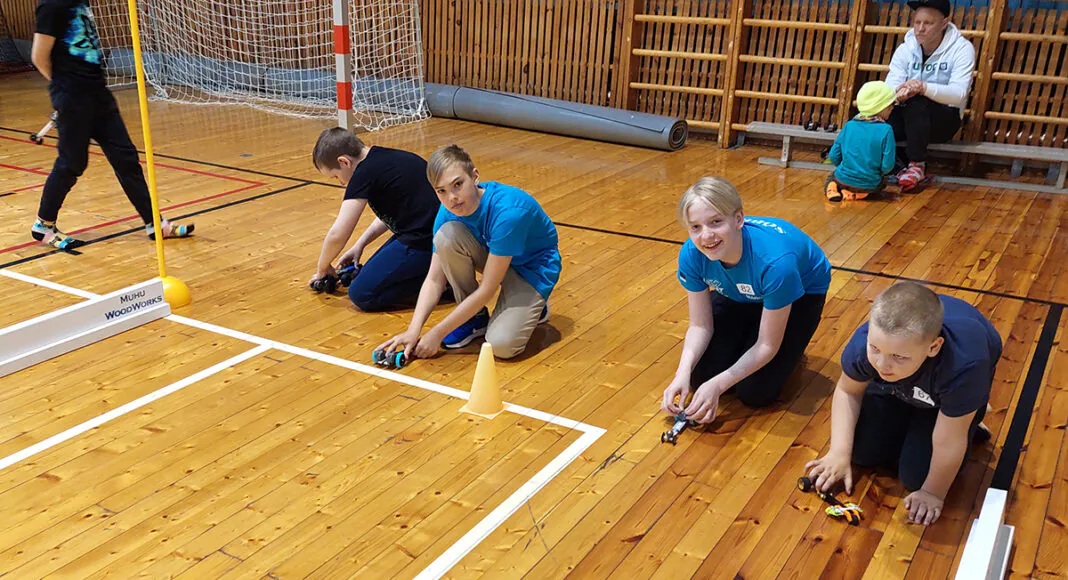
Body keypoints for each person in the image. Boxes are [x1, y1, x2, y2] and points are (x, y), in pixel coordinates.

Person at [805, 282, 1000, 526]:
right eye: (875, 349)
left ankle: (971, 413)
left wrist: (933, 493)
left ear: (933, 347)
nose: (882, 364)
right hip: (899, 387)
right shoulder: (868, 346)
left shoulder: (964, 367)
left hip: (944, 397)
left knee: (917, 477)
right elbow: (847, 391)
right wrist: (838, 453)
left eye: (898, 356)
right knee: (861, 452)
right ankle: (917, 414)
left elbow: (949, 440)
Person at [662, 177, 831, 423]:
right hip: (741, 290)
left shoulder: (776, 264)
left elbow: (767, 345)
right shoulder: (691, 254)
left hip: (801, 293)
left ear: (739, 219)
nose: (706, 236)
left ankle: (789, 349)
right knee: (701, 376)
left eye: (716, 222)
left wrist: (718, 385)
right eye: (695, 227)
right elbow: (700, 325)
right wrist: (682, 373)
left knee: (755, 392)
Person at [30, 0, 193, 251]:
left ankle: (155, 224)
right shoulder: (51, 5)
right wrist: (64, 90)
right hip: (74, 99)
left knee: (126, 158)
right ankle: (43, 225)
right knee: (72, 163)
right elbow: (39, 57)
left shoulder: (81, 2)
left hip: (100, 95)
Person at [378, 144, 560, 360]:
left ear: (474, 176)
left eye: (457, 184)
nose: (452, 197)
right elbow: (434, 279)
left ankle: (536, 305)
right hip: (496, 257)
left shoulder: (508, 212)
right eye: (441, 191)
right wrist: (413, 330)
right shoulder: (447, 212)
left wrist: (437, 333)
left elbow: (487, 289)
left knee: (501, 346)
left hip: (531, 271)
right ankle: (475, 319)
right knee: (446, 236)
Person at [311, 127, 447, 311]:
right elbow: (394, 213)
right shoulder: (385, 158)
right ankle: (439, 272)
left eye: (336, 176)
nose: (342, 182)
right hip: (434, 235)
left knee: (362, 294)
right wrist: (360, 244)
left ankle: (441, 279)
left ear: (344, 162)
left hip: (424, 243)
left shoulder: (364, 173)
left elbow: (338, 234)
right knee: (365, 276)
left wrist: (323, 268)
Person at [885, 0, 976, 191]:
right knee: (872, 113)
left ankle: (916, 165)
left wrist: (923, 88)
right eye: (917, 22)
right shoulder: (905, 48)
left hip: (944, 120)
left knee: (918, 102)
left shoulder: (962, 49)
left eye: (928, 23)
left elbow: (958, 94)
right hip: (908, 114)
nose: (920, 28)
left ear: (944, 24)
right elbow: (889, 87)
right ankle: (863, 161)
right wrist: (900, 92)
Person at [825, 81, 897, 202]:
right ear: (880, 106)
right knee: (883, 183)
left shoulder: (849, 125)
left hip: (843, 179)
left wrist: (846, 170)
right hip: (869, 184)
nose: (892, 108)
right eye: (890, 104)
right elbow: (887, 165)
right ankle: (856, 195)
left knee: (832, 177)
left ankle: (833, 189)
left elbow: (833, 156)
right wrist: (878, 173)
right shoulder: (886, 130)